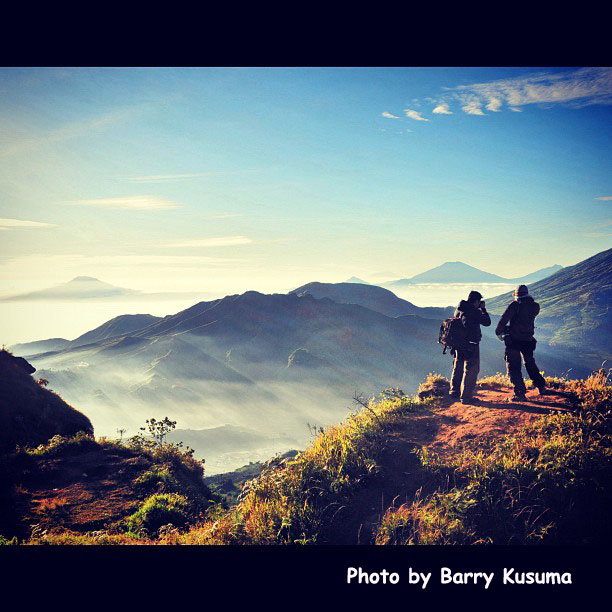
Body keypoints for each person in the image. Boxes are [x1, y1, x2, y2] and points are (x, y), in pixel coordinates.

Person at [495, 284, 547, 402]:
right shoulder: (534, 306)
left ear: (516, 295)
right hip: (528, 340)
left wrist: (498, 332)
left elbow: (504, 319)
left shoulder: (515, 305)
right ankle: (541, 386)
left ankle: (519, 392)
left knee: (513, 365)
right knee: (530, 363)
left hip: (513, 340)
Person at [450, 290, 491, 404]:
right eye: (479, 301)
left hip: (458, 344)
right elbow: (487, 322)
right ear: (476, 301)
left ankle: (454, 392)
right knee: (471, 369)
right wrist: (483, 310)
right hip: (471, 344)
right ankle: (466, 397)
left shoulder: (459, 310)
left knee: (458, 367)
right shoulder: (473, 311)